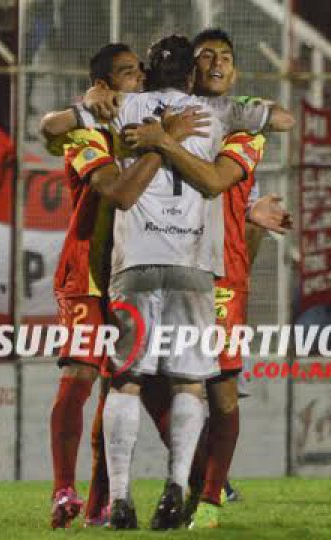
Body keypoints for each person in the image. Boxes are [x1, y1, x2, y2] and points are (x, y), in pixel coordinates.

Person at [121, 28, 293, 529]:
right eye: (207, 56)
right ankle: (193, 480)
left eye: (226, 58)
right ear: (190, 68)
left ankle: (211, 497)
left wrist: (164, 139)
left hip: (218, 275)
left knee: (218, 391)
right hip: (164, 260)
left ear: (235, 72)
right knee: (143, 379)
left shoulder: (240, 129)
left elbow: (225, 178)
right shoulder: (163, 111)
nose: (217, 63)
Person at [40, 42, 209, 529]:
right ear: (104, 84)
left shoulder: (144, 121)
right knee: (81, 375)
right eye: (128, 73)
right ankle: (64, 489)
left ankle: (106, 502)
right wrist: (87, 107)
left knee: (131, 386)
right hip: (87, 272)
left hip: (132, 267)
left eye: (141, 71)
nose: (140, 78)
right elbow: (51, 129)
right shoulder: (89, 131)